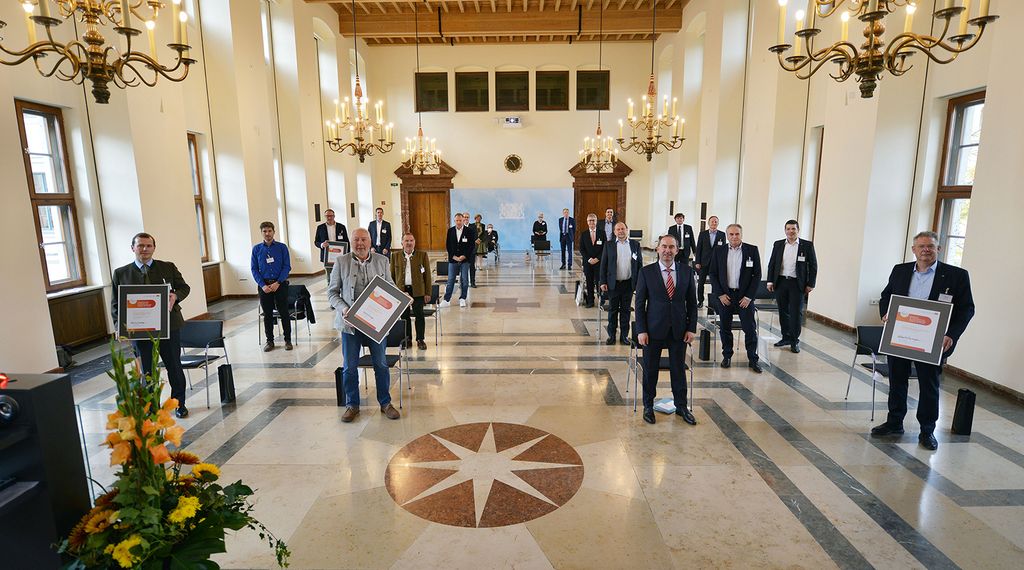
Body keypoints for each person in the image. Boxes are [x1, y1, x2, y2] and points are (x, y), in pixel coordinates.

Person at [872, 231, 975, 451]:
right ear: (914, 250)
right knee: (897, 381)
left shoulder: (956, 275)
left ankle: (927, 430)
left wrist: (951, 335)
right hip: (900, 337)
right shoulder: (900, 270)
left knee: (929, 386)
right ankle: (894, 422)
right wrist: (886, 313)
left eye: (930, 246)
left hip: (932, 342)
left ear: (939, 249)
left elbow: (967, 309)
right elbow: (886, 296)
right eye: (921, 246)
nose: (926, 250)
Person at [111, 233, 191, 418]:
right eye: (140, 245)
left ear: (154, 248)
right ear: (133, 248)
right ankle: (151, 406)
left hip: (169, 327)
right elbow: (116, 303)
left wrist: (176, 295)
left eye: (148, 245)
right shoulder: (121, 273)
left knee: (174, 366)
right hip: (139, 330)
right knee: (146, 370)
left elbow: (184, 287)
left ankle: (179, 404)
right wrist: (118, 326)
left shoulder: (167, 267)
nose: (145, 249)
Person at [328, 228, 401, 423]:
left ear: (370, 242)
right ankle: (352, 405)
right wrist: (344, 308)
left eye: (363, 240)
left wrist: (400, 297)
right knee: (350, 367)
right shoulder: (341, 262)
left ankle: (385, 403)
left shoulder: (382, 261)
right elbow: (332, 293)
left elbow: (390, 286)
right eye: (356, 240)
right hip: (350, 325)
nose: (360, 243)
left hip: (376, 324)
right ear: (351, 242)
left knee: (381, 364)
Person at [635, 235, 698, 425]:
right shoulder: (646, 272)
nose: (667, 250)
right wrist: (641, 330)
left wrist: (691, 328)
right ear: (658, 249)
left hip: (679, 330)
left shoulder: (686, 271)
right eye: (664, 246)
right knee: (650, 370)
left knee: (678, 370)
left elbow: (692, 303)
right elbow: (639, 304)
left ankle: (681, 407)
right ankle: (648, 406)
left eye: (671, 247)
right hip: (653, 330)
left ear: (677, 250)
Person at [707, 223, 763, 373]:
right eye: (731, 234)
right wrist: (720, 294)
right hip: (725, 296)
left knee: (749, 328)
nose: (734, 237)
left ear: (741, 234)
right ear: (727, 236)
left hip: (744, 297)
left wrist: (749, 297)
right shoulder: (719, 251)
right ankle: (727, 356)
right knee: (725, 327)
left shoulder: (752, 250)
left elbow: (757, 274)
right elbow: (713, 274)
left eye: (737, 234)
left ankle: (753, 359)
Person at [766, 219, 818, 353]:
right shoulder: (778, 244)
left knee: (796, 313)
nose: (791, 231)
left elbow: (813, 266)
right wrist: (770, 281)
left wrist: (811, 284)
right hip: (781, 282)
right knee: (783, 311)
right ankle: (786, 337)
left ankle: (794, 340)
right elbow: (772, 263)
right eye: (788, 229)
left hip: (797, 284)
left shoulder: (807, 245)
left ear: (798, 230)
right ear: (785, 231)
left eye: (793, 229)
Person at [250, 221, 292, 352]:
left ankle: (288, 340)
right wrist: (262, 285)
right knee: (267, 314)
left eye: (269, 231)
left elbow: (287, 266)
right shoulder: (256, 249)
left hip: (280, 284)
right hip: (264, 286)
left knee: (284, 312)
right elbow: (254, 269)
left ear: (274, 232)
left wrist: (278, 282)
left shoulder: (282, 247)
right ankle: (270, 341)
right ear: (261, 233)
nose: (267, 234)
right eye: (264, 231)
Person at [600, 222, 643, 345]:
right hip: (613, 284)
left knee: (626, 311)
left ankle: (624, 336)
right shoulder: (609, 245)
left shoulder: (635, 245)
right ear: (614, 232)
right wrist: (603, 281)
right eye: (618, 229)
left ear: (627, 230)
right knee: (612, 311)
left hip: (628, 284)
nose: (620, 231)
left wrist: (640, 283)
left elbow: (639, 265)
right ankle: (611, 336)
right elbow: (603, 264)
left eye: (623, 229)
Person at [391, 233, 432, 350]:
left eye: (411, 240)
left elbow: (427, 275)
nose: (409, 243)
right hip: (402, 291)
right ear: (402, 243)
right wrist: (393, 293)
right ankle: (407, 339)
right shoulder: (395, 256)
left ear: (414, 242)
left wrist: (428, 292)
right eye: (406, 241)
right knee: (404, 316)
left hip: (418, 290)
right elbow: (391, 276)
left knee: (419, 315)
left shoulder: (422, 255)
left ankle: (420, 339)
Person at [440, 213, 476, 308]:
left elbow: (471, 246)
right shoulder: (450, 231)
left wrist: (464, 256)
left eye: (460, 220)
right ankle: (446, 300)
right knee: (450, 280)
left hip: (465, 260)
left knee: (464, 280)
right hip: (453, 260)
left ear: (463, 220)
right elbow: (448, 245)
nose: (459, 222)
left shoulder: (469, 231)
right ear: (454, 221)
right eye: (457, 220)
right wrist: (453, 256)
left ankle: (462, 298)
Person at [314, 208, 350, 291]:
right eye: (327, 216)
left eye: (331, 216)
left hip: (340, 255)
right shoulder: (320, 228)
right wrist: (322, 244)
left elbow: (346, 242)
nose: (329, 217)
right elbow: (316, 242)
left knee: (341, 275)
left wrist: (347, 255)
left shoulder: (341, 227)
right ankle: (331, 293)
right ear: (325, 217)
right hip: (327, 257)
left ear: (334, 216)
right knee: (330, 276)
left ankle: (343, 292)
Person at [695, 215, 726, 307]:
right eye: (712, 221)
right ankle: (700, 301)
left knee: (715, 284)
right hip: (704, 263)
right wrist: (697, 262)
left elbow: (723, 250)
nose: (714, 223)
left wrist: (722, 263)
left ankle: (713, 302)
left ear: (718, 223)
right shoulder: (702, 234)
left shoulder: (722, 234)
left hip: (716, 263)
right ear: (708, 223)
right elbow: (699, 248)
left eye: (716, 221)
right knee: (701, 283)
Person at [578, 213, 604, 308]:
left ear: (596, 221)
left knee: (599, 282)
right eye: (590, 220)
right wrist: (589, 259)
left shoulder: (602, 233)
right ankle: (590, 301)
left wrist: (597, 258)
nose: (592, 222)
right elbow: (581, 249)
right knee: (589, 282)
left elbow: (604, 248)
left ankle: (601, 300)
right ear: (587, 222)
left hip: (599, 262)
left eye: (593, 220)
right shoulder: (584, 234)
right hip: (588, 262)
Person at [471, 213, 487, 280]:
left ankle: (480, 266)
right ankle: (475, 265)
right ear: (475, 218)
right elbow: (471, 233)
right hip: (474, 241)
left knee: (480, 254)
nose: (478, 219)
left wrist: (480, 239)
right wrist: (475, 239)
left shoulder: (483, 225)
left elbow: (483, 233)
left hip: (480, 241)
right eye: (477, 218)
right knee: (474, 254)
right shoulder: (472, 225)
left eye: (479, 218)